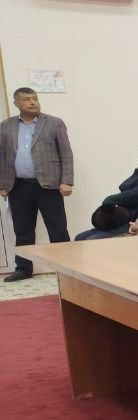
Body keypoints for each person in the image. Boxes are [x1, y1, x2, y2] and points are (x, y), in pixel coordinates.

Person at [1, 87, 73, 282]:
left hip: (49, 185)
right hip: (18, 186)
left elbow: (66, 153)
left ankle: (67, 269)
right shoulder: (5, 126)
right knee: (23, 230)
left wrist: (66, 181)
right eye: (26, 99)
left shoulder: (54, 123)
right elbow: (2, 156)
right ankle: (23, 268)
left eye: (34, 98)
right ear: (16, 103)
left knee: (58, 229)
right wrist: (2, 183)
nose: (32, 102)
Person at [75, 139, 138, 240]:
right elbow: (125, 190)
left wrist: (109, 200)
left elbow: (132, 196)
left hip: (135, 222)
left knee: (91, 240)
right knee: (80, 237)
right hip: (122, 219)